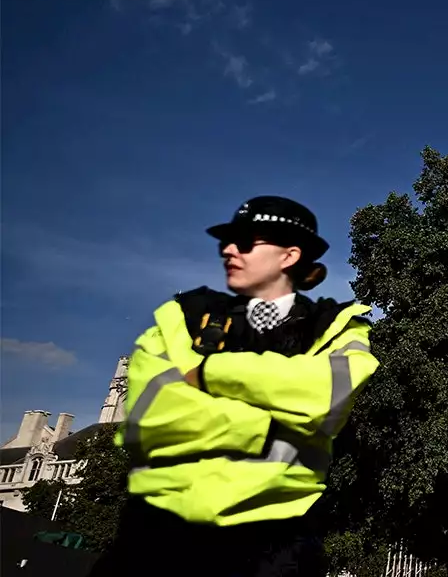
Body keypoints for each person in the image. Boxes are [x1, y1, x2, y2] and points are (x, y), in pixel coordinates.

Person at [91, 196, 379, 577]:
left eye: (245, 242)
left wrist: (208, 375)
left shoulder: (340, 325)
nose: (228, 250)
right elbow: (150, 415)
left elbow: (325, 397)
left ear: (289, 256)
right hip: (155, 536)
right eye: (227, 241)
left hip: (274, 546)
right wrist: (277, 412)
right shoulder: (183, 314)